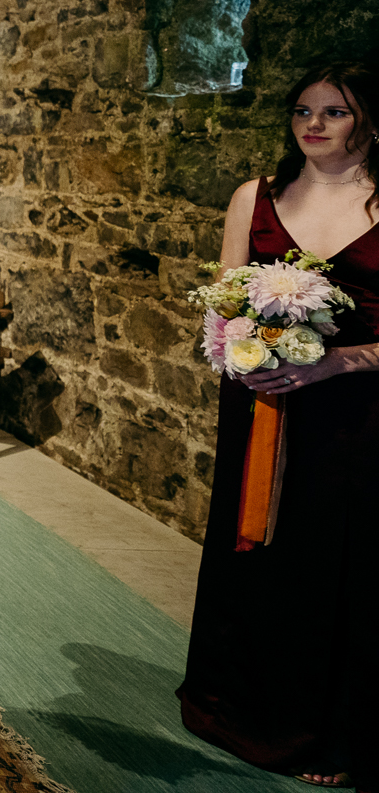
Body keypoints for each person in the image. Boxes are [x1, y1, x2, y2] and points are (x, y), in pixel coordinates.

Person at [179, 60, 379, 792]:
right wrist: (234, 353)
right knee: (254, 546)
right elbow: (223, 300)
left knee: (336, 560)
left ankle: (330, 730)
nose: (314, 124)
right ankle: (234, 704)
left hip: (356, 418)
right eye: (303, 110)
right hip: (262, 403)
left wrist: (343, 362)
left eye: (336, 111)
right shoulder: (255, 196)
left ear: (369, 121)